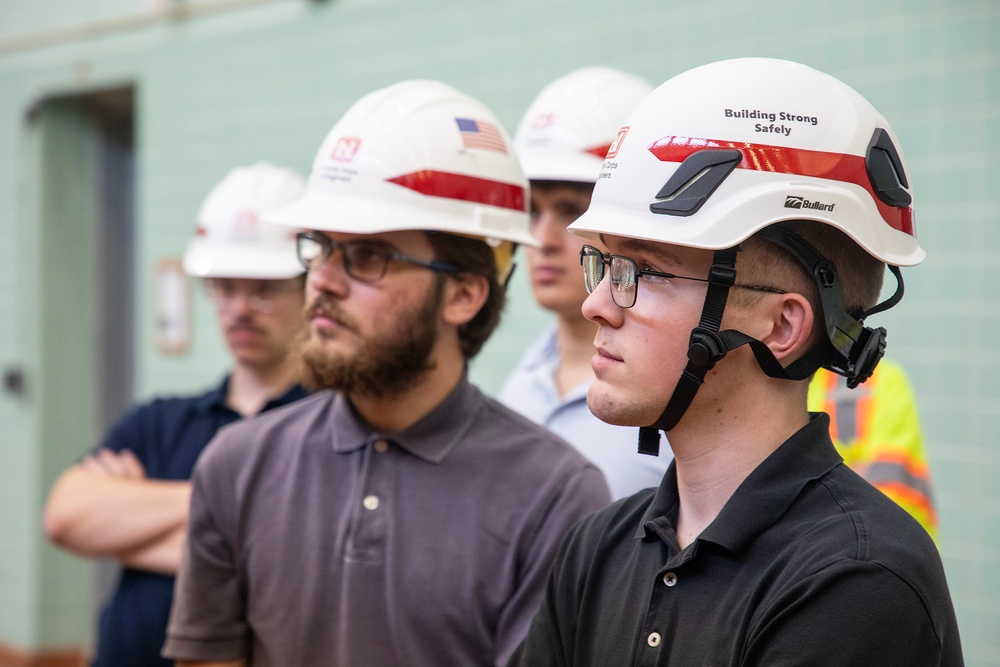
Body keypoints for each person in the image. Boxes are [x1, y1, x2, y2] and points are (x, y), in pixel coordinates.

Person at [510, 57, 963, 665]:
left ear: (781, 326)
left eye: (644, 271)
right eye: (605, 264)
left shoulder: (856, 581)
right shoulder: (595, 551)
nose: (595, 305)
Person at [162, 80, 611, 667]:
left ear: (463, 294)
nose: (322, 281)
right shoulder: (237, 466)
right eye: (319, 246)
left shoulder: (554, 495)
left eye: (367, 256)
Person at [42, 162, 310, 667]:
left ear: (309, 290)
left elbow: (293, 564)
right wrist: (235, 512)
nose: (239, 308)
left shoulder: (326, 427)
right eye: (224, 288)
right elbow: (65, 517)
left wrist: (129, 533)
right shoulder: (162, 421)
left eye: (263, 290)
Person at [499, 67, 669, 499]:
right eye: (533, 211)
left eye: (572, 211)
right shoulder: (521, 384)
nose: (542, 239)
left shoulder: (671, 397)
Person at [809, 359, 938, 539]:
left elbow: (886, 480)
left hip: (894, 538)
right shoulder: (789, 385)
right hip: (833, 539)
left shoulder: (886, 380)